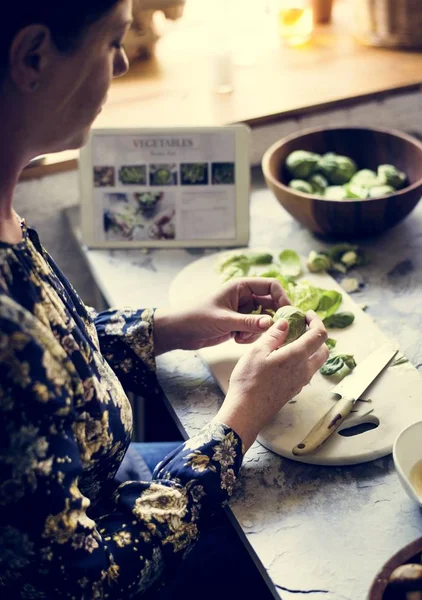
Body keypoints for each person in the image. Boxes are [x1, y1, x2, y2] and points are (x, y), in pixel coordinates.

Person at [0, 1, 329, 598]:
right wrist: (241, 417)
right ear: (33, 57)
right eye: (110, 43)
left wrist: (168, 327)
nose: (123, 64)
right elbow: (85, 583)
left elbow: (46, 361)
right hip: (110, 547)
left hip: (106, 475)